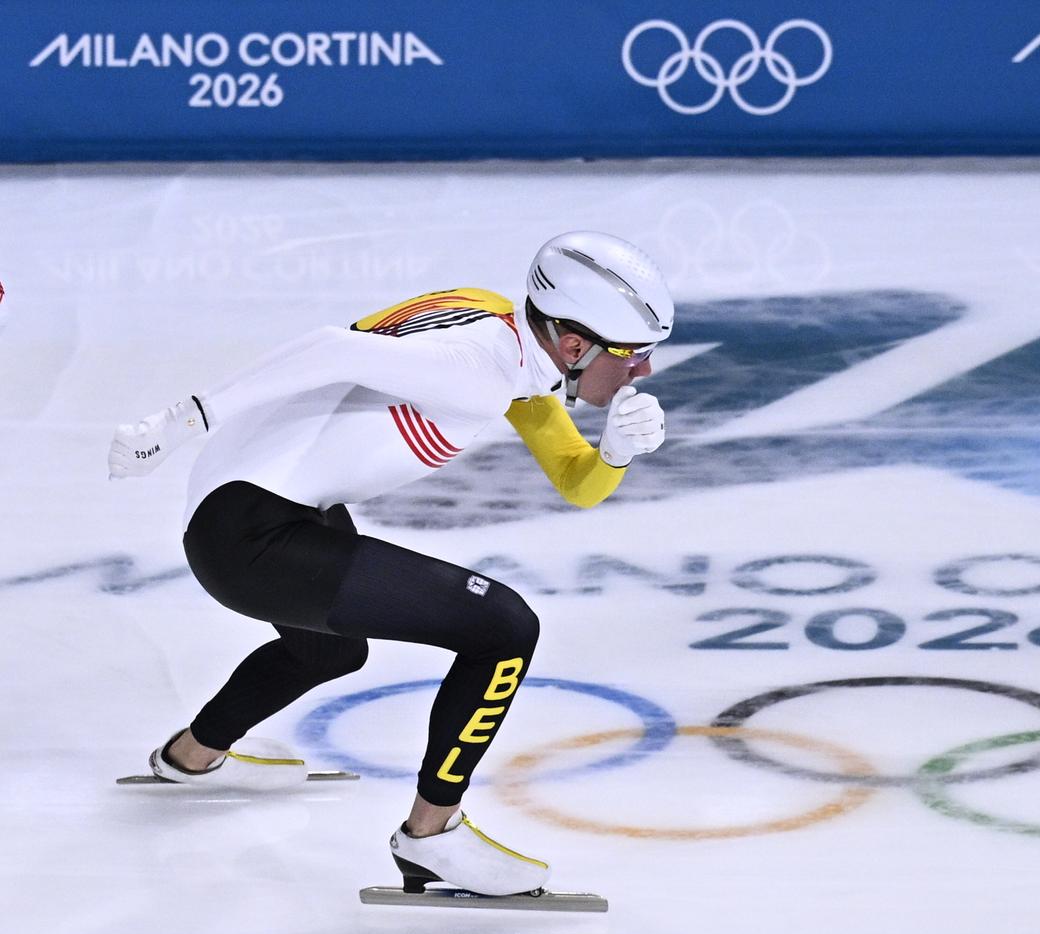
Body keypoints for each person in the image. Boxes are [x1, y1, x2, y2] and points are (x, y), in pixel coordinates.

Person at [106, 231, 672, 898]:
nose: (644, 373)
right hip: (250, 533)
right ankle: (433, 836)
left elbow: (576, 482)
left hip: (255, 498)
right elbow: (330, 348)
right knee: (505, 628)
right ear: (575, 346)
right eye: (634, 356)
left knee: (331, 652)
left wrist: (612, 454)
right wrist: (183, 418)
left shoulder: (503, 338)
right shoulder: (480, 371)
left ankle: (191, 756)